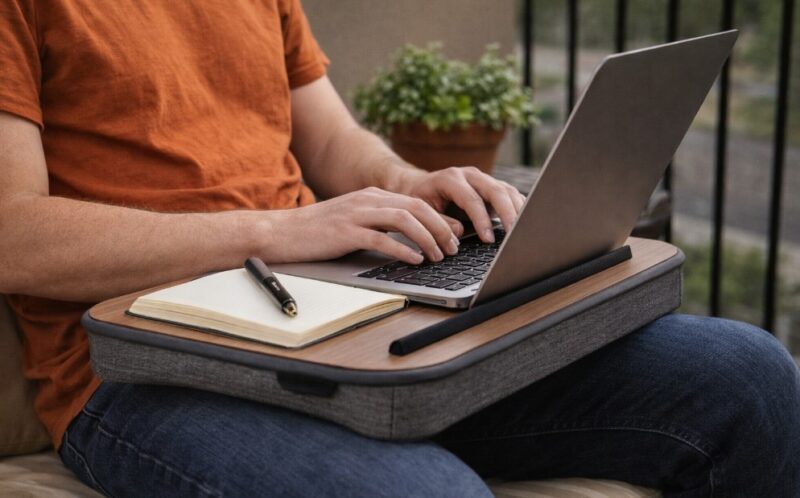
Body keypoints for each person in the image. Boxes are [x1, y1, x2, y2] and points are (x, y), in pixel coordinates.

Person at [0, 1, 798, 496]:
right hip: (142, 368)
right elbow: (13, 233)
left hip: (340, 324)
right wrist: (277, 232)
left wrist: (409, 183)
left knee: (750, 379)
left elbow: (337, 141)